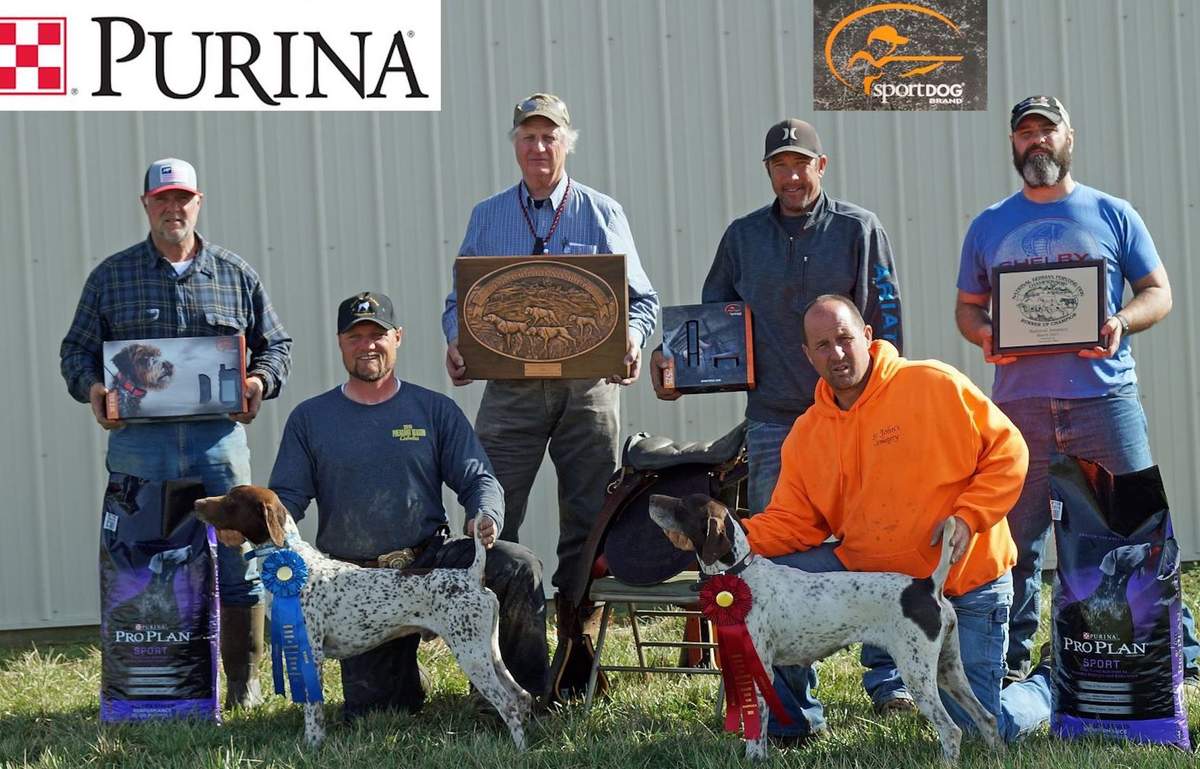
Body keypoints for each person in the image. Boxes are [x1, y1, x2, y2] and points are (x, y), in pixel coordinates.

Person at [648, 118, 903, 738]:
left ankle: (889, 682)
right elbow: (710, 324)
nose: (791, 175)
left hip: (854, 417)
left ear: (822, 166)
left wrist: (889, 406)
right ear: (769, 172)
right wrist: (677, 366)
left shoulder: (858, 228)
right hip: (774, 423)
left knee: (873, 540)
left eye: (801, 163)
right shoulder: (742, 237)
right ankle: (787, 706)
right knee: (775, 558)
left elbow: (886, 318)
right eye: (779, 165)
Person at [955, 95, 1199, 683]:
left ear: (1070, 137)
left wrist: (1120, 322)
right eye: (1025, 133)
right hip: (1018, 407)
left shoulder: (1114, 213)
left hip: (1105, 400)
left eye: (1047, 130)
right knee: (1010, 538)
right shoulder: (989, 224)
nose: (1036, 141)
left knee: (1137, 524)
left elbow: (1157, 292)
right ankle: (1006, 660)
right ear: (1014, 145)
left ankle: (1175, 655)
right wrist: (988, 337)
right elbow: (967, 309)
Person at [736, 295, 1051, 744]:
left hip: (965, 584)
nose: (837, 353)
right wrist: (729, 537)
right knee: (774, 584)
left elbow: (1009, 452)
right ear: (807, 356)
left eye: (844, 338)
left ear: (867, 336)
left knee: (981, 729)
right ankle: (792, 722)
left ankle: (1047, 688)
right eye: (822, 345)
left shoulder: (933, 384)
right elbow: (793, 523)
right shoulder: (807, 433)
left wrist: (969, 516)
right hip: (875, 585)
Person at [60, 157, 293, 709]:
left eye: (182, 198)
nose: (173, 208)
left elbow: (276, 345)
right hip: (141, 446)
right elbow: (75, 352)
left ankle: (243, 683)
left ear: (198, 202)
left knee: (240, 561)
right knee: (142, 561)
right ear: (146, 205)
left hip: (218, 444)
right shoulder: (110, 277)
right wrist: (92, 388)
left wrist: (261, 380)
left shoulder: (236, 274)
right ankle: (155, 684)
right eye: (162, 198)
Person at [268, 291, 548, 718]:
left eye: (377, 335)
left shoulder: (433, 410)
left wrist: (485, 515)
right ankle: (406, 681)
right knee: (381, 713)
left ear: (398, 337)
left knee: (516, 565)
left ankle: (519, 700)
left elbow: (479, 478)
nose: (367, 345)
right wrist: (261, 531)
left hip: (432, 563)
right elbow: (286, 500)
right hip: (357, 585)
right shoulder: (310, 419)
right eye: (355, 336)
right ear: (341, 343)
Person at [441, 93, 659, 624]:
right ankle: (499, 640)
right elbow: (459, 304)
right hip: (509, 390)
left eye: (549, 136)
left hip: (589, 389)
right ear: (515, 146)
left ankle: (576, 647)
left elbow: (642, 300)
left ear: (567, 142)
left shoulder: (602, 211)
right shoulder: (488, 216)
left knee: (589, 515)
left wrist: (631, 337)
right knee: (490, 506)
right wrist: (456, 340)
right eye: (528, 137)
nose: (538, 146)